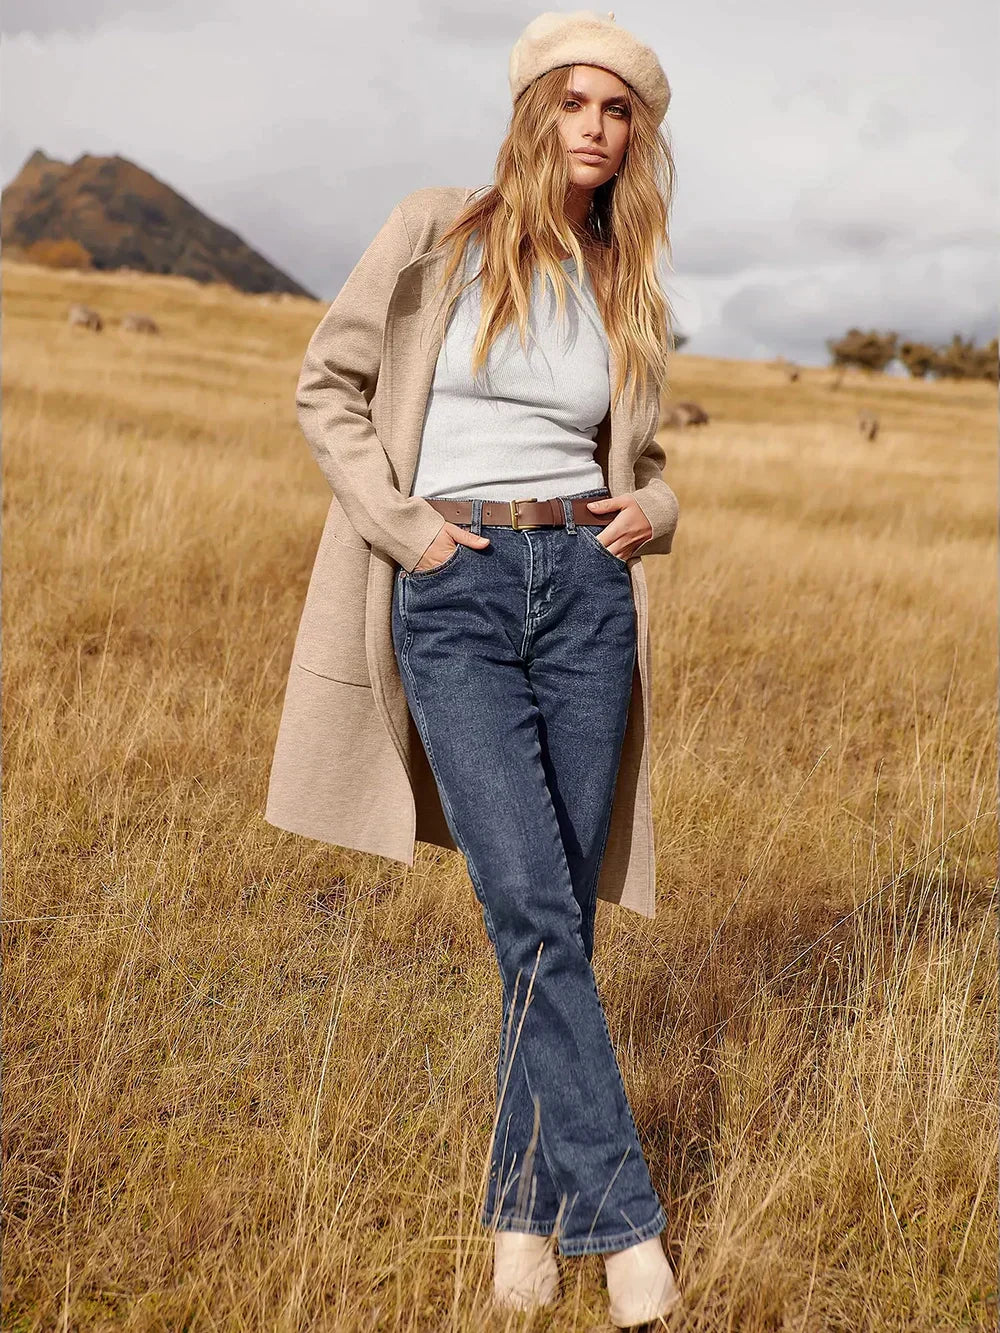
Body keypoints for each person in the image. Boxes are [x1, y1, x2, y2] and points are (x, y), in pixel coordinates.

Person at [267, 10, 683, 1328]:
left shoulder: (627, 273)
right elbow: (324, 388)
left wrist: (657, 515)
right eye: (575, 103)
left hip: (587, 600)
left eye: (618, 112)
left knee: (549, 912)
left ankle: (518, 1207)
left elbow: (648, 461)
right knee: (532, 907)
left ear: (636, 138)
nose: (596, 128)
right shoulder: (435, 229)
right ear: (533, 113)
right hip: (456, 589)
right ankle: (625, 1227)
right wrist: (409, 533)